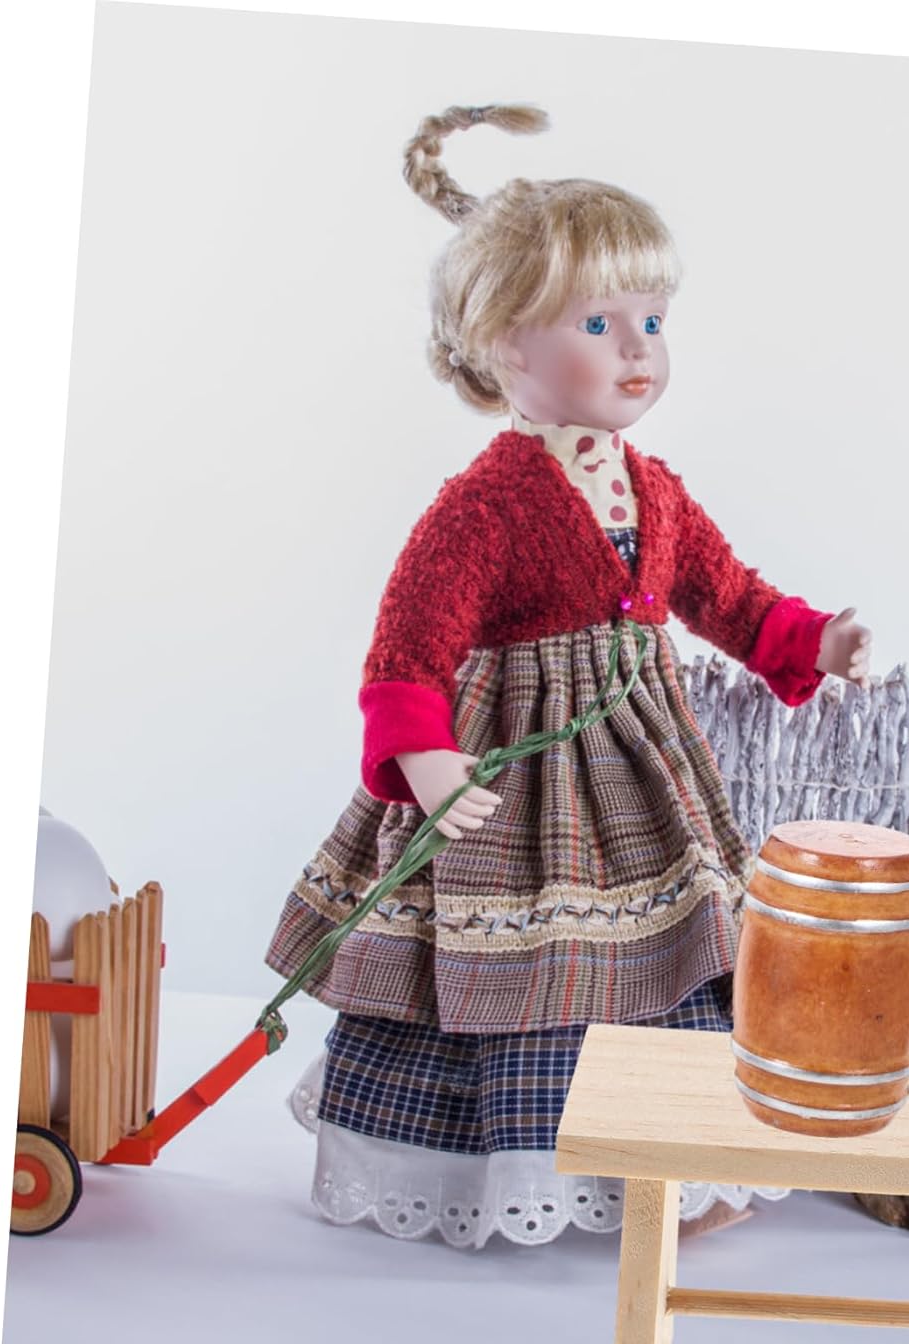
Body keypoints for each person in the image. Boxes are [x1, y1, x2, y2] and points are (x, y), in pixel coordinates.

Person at [266, 103, 872, 1249]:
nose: (639, 349)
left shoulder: (654, 489)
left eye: (653, 320)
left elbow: (727, 597)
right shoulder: (484, 507)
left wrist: (812, 642)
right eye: (600, 322)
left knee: (669, 940)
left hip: (641, 770)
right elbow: (406, 654)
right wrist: (429, 762)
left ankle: (674, 1156)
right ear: (507, 345)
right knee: (530, 948)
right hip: (518, 781)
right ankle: (527, 1166)